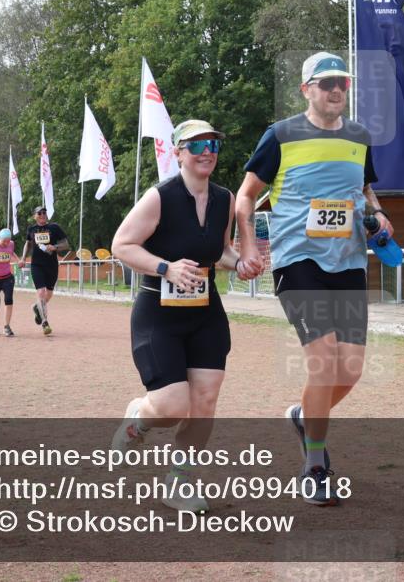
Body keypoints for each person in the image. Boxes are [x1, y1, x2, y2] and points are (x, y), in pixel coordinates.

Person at [235, 52, 395, 507]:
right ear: (306, 89)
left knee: (351, 370)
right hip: (297, 260)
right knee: (324, 362)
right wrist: (248, 244)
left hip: (348, 262)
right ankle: (315, 466)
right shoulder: (280, 135)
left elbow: (363, 190)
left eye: (342, 82)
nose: (336, 90)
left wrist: (379, 215)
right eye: (326, 83)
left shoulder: (359, 137)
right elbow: (246, 197)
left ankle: (305, 417)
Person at [111, 119, 247, 514]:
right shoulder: (159, 197)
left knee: (204, 402)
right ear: (178, 153)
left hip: (206, 312)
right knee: (172, 407)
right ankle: (137, 418)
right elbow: (122, 245)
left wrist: (239, 264)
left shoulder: (225, 198)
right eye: (196, 144)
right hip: (159, 314)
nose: (207, 151)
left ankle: (180, 481)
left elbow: (219, 250)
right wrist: (165, 267)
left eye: (213, 144)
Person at [19, 205, 69, 336]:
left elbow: (66, 244)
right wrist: (23, 258)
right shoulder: (32, 229)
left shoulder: (54, 227)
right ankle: (45, 322)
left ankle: (37, 308)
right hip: (37, 265)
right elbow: (28, 243)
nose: (42, 215)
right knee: (41, 292)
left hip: (52, 265)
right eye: (39, 213)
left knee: (49, 293)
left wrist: (55, 247)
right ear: (34, 216)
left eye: (44, 213)